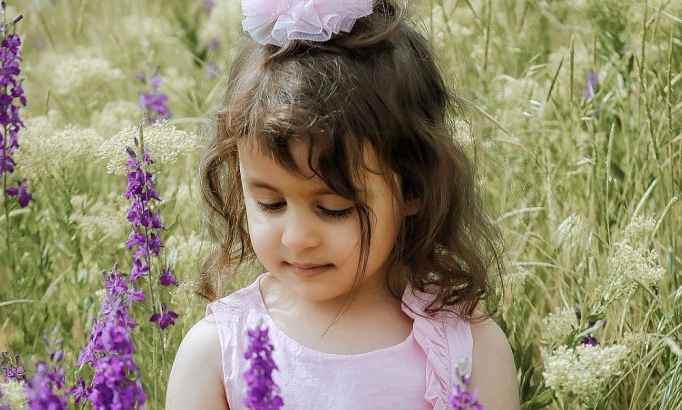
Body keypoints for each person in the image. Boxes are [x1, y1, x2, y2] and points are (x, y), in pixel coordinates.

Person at [167, 0, 519, 408]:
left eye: (334, 208)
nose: (298, 238)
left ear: (413, 188)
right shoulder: (216, 353)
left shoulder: (468, 349)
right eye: (270, 204)